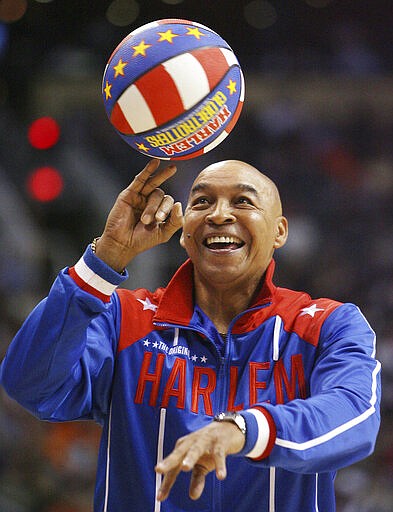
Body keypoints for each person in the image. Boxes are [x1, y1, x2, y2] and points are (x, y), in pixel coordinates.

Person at [0, 158, 381, 511]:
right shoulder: (125, 318)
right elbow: (30, 385)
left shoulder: (328, 324)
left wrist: (241, 430)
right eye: (201, 202)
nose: (218, 214)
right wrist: (104, 260)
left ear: (279, 231)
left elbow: (354, 417)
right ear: (184, 235)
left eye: (243, 202)